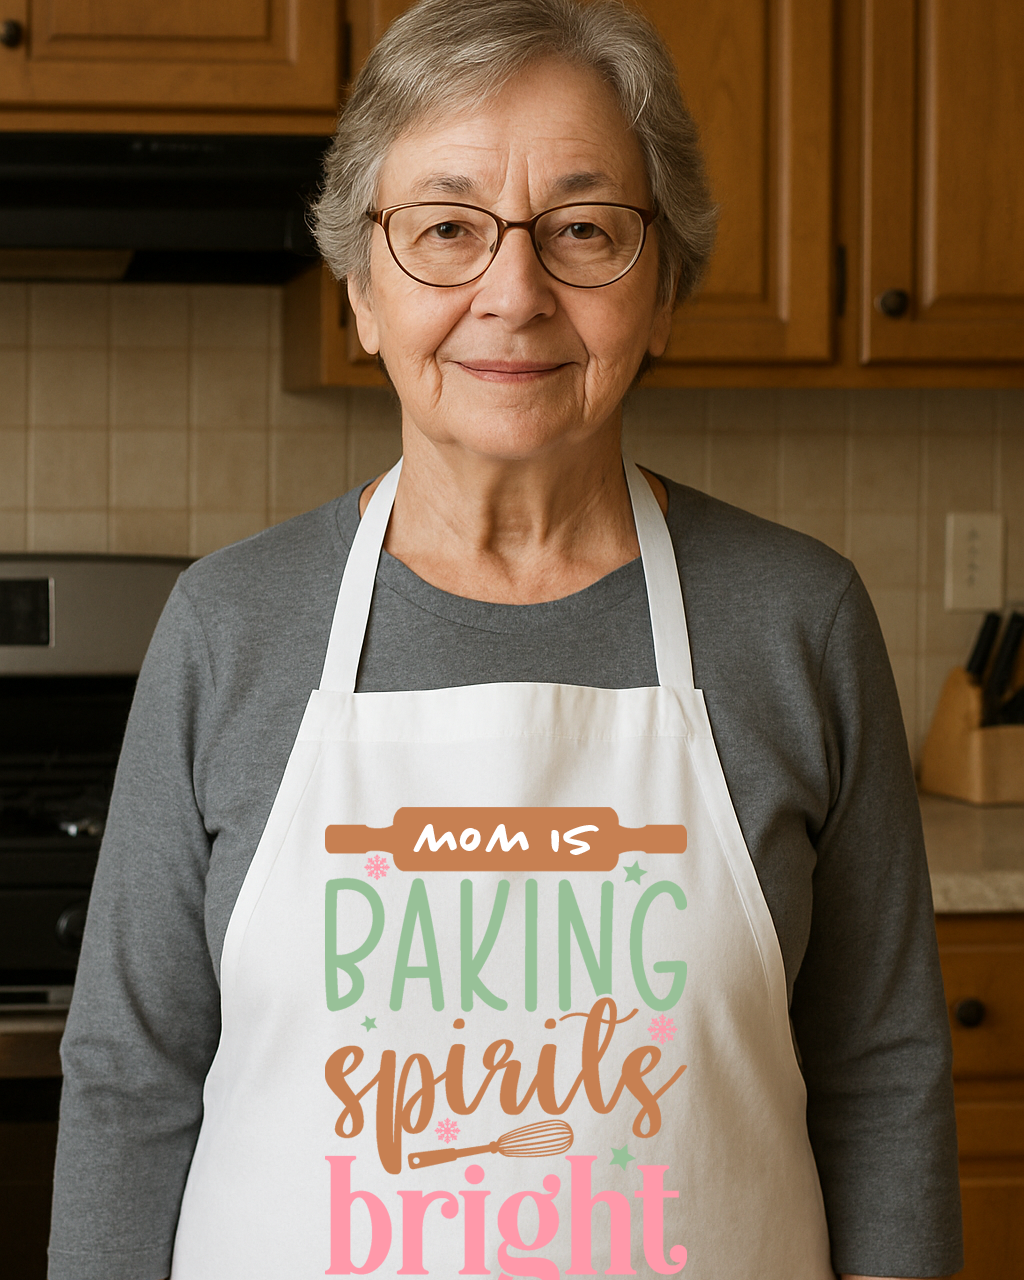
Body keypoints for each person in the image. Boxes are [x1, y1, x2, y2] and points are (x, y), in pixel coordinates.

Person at [48, 2, 962, 1278]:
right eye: (445, 230)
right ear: (363, 293)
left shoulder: (795, 618)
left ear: (665, 287)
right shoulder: (228, 624)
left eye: (584, 229)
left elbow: (880, 1074)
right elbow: (129, 1085)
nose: (515, 293)